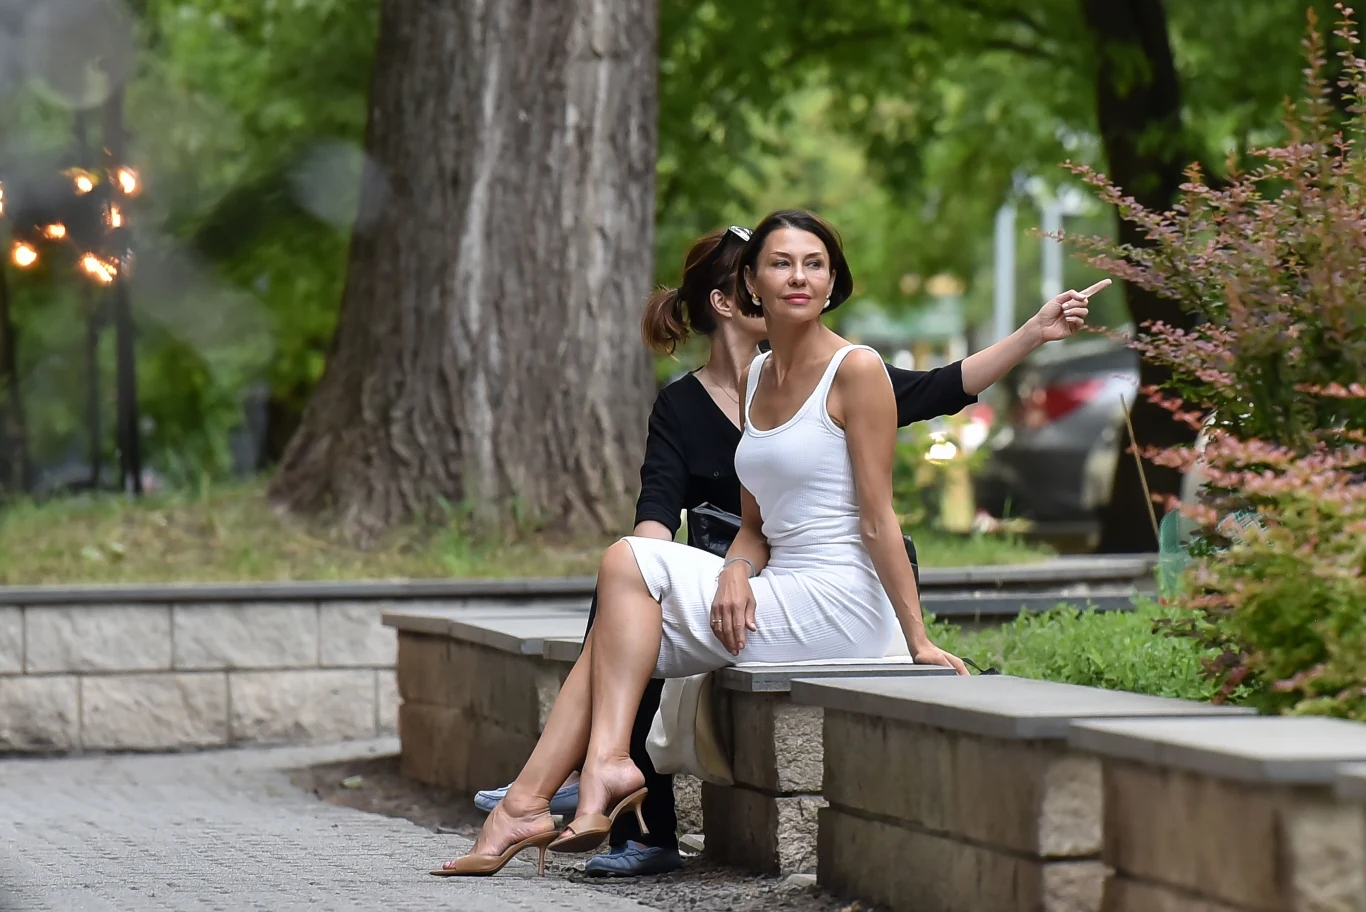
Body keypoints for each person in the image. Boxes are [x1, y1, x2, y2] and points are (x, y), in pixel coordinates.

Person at [437, 209, 1105, 877]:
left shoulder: (857, 370)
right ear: (750, 283)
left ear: (833, 280)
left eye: (815, 264)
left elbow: (880, 519)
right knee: (619, 619)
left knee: (625, 564)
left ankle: (598, 770)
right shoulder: (758, 379)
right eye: (782, 263)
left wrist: (917, 638)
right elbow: (753, 526)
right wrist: (733, 573)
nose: (799, 276)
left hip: (845, 601)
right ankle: (528, 804)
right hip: (780, 591)